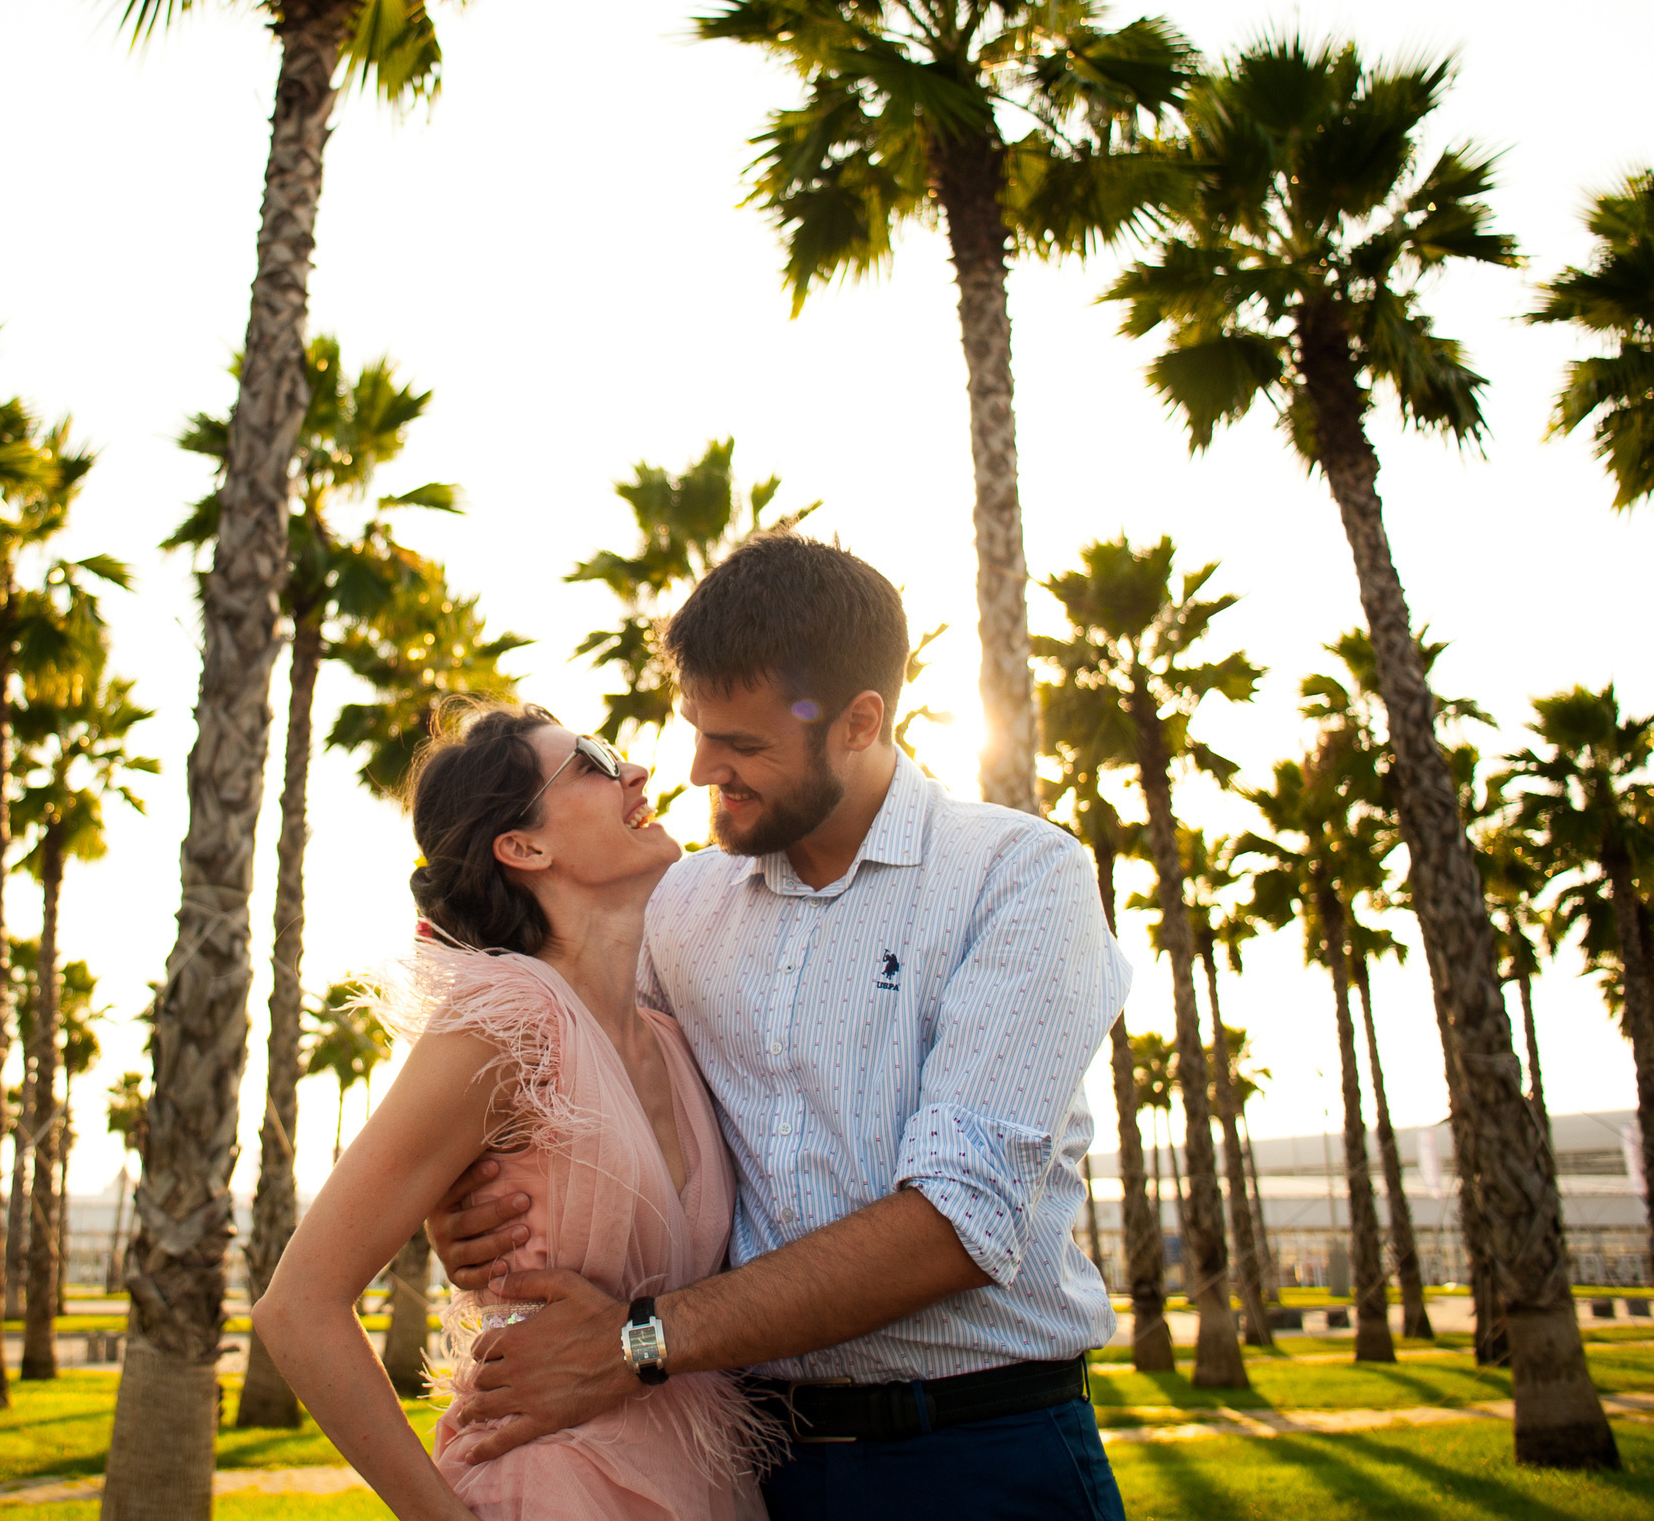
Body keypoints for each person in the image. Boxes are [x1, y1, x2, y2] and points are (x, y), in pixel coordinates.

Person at [427, 532, 1135, 1520]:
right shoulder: (675, 907)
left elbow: (959, 1221)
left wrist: (636, 1340)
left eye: (745, 744)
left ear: (858, 723)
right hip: (756, 1469)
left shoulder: (1018, 878)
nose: (701, 767)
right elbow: (587, 1104)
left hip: (982, 1459)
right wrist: (465, 1205)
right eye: (697, 728)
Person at [253, 702, 776, 1521]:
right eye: (595, 762)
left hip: (699, 1486)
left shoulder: (673, 1039)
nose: (635, 771)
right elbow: (298, 1305)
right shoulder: (506, 1024)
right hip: (550, 1487)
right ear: (524, 847)